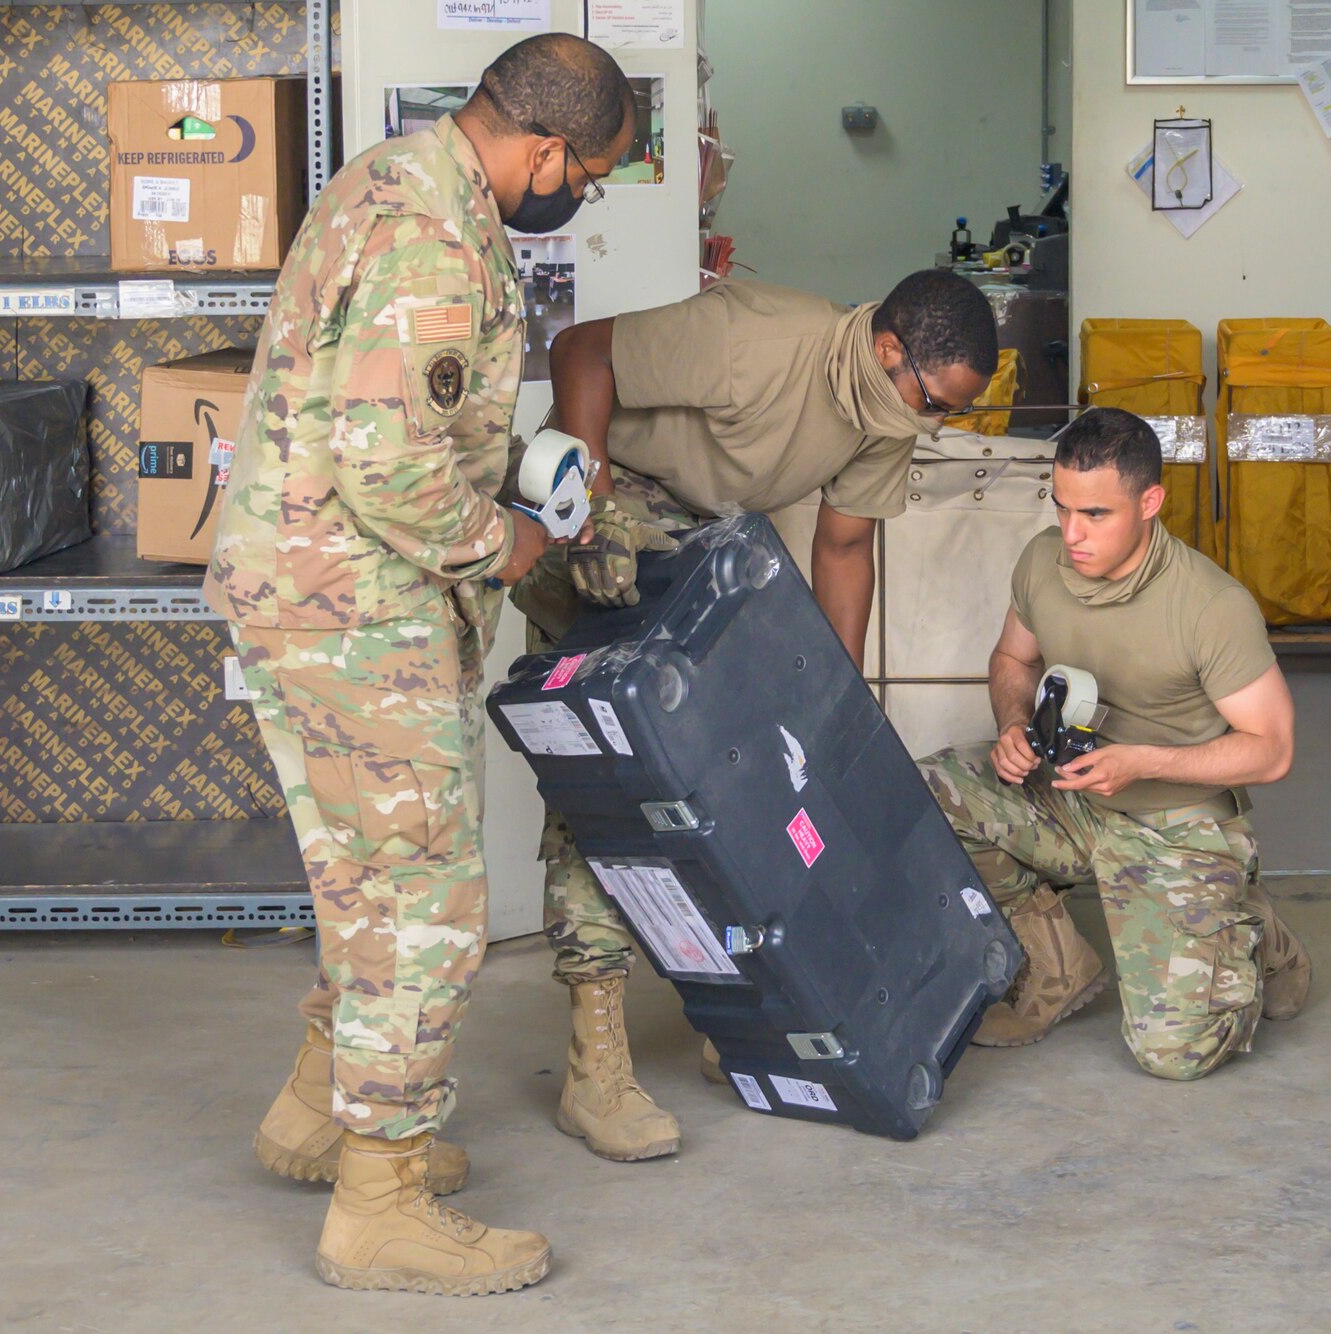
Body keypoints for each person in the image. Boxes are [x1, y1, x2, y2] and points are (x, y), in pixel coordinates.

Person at [205, 34, 633, 1297]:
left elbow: (403, 418)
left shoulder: (398, 182)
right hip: (351, 609)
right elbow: (388, 464)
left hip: (325, 593)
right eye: (587, 176)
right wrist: (501, 539)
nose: (578, 197)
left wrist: (511, 466)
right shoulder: (432, 237)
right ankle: (377, 1201)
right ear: (545, 148)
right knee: (424, 898)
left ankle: (315, 1113)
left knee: (364, 878)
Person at [508, 269, 998, 1162]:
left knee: (753, 783)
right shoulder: (759, 342)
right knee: (616, 784)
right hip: (602, 507)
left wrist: (830, 704)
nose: (940, 426)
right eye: (938, 404)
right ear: (890, 353)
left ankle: (747, 1021)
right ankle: (596, 1067)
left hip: (709, 534)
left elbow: (845, 547)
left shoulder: (885, 413)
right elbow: (582, 351)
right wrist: (594, 514)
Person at [917, 407, 1312, 1078]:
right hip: (1075, 797)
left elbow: (1272, 748)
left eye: (1095, 514)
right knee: (926, 794)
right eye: (1061, 506)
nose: (1071, 533)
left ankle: (1247, 928)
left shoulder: (1210, 607)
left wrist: (1143, 763)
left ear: (1150, 502)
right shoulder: (1043, 561)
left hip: (1174, 822)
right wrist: (1013, 725)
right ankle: (1055, 966)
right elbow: (1012, 661)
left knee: (1174, 1056)